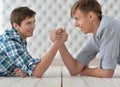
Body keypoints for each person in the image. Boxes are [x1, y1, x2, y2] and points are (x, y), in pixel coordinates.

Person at [50, 0, 120, 78]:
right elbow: (74, 69)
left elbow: (107, 73)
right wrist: (60, 43)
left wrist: (83, 71)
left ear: (90, 16)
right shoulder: (97, 37)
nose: (76, 24)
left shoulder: (108, 28)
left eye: (77, 19)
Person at [0, 7, 67, 77]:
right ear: (16, 26)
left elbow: (30, 65)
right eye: (28, 23)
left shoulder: (19, 40)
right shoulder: (10, 41)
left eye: (33, 22)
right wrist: (57, 43)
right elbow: (37, 71)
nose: (33, 27)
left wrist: (26, 71)